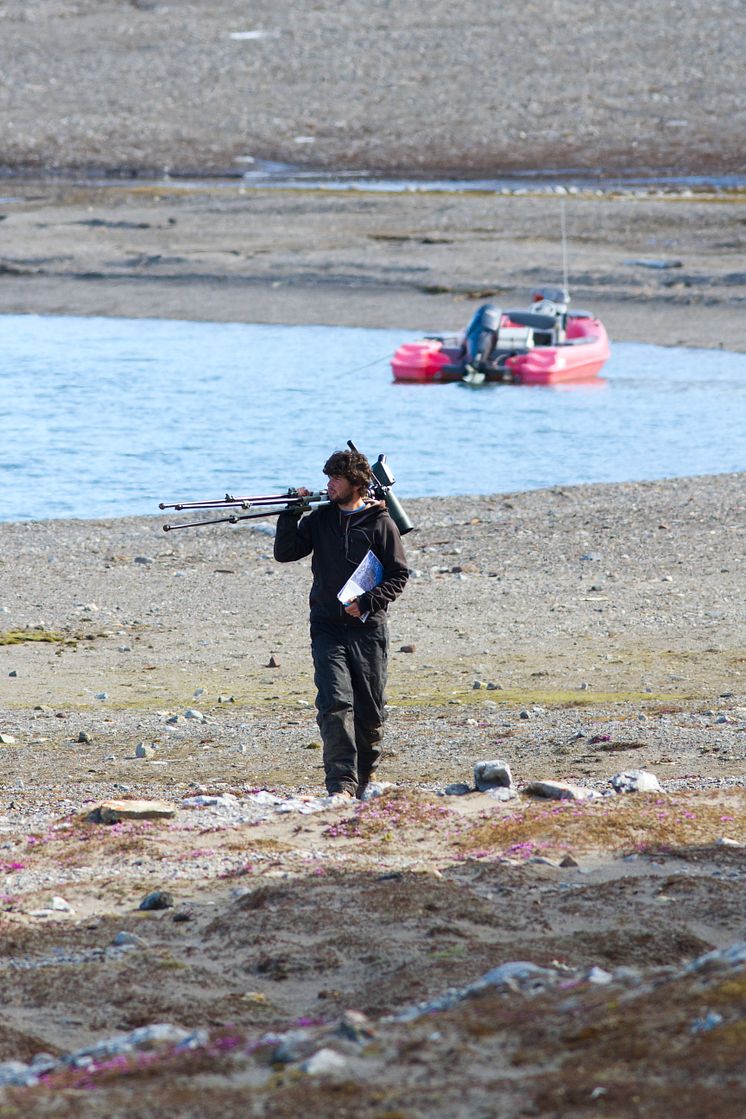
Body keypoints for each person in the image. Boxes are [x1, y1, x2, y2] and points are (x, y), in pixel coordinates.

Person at [274, 448, 409, 799]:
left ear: (356, 484)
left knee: (369, 711)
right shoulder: (321, 519)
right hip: (327, 626)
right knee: (334, 703)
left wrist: (367, 602)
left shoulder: (381, 523)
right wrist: (292, 511)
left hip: (369, 628)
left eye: (336, 479)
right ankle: (341, 785)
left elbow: (398, 576)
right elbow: (285, 552)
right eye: (328, 478)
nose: (329, 485)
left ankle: (365, 776)